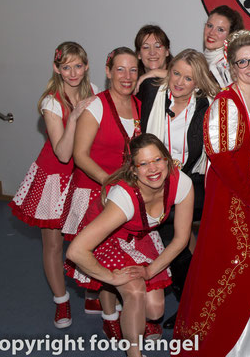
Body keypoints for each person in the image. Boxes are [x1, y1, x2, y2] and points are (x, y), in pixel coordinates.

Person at [173, 31, 250, 356]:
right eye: (242, 61)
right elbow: (222, 159)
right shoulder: (225, 104)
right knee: (243, 259)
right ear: (232, 66)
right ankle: (232, 344)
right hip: (232, 196)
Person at [66, 133, 194, 357]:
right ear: (133, 170)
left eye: (157, 160)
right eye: (143, 164)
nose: (153, 169)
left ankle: (119, 305)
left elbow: (181, 239)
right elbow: (76, 251)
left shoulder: (181, 183)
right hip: (107, 239)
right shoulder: (123, 197)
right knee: (134, 291)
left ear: (167, 160)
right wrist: (113, 277)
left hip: (140, 234)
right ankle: (133, 352)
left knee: (154, 311)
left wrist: (150, 270)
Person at [9, 41, 94, 328]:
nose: (73, 73)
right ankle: (61, 301)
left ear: (86, 66)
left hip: (84, 175)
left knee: (90, 236)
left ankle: (94, 291)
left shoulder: (93, 90)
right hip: (55, 178)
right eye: (66, 66)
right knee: (54, 244)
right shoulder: (51, 101)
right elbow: (62, 153)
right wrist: (76, 117)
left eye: (78, 66)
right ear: (56, 68)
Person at [62, 46, 141, 337]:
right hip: (96, 189)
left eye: (133, 69)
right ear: (108, 72)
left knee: (121, 252)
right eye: (120, 69)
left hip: (126, 194)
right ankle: (109, 314)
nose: (127, 76)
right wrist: (109, 181)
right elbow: (80, 155)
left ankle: (114, 303)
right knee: (103, 253)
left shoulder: (141, 106)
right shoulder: (95, 105)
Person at [138, 49, 219, 328]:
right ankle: (189, 298)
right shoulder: (152, 92)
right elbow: (128, 85)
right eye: (175, 73)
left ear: (198, 82)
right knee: (169, 230)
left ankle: (188, 300)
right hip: (151, 179)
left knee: (169, 225)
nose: (179, 82)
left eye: (188, 78)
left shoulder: (207, 106)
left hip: (191, 182)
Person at [203, 5, 244, 89]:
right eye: (209, 26)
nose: (211, 33)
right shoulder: (199, 60)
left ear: (230, 36)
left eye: (220, 30)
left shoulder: (226, 70)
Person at [134, 24, 172, 93]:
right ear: (139, 54)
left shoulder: (181, 81)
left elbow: (193, 79)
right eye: (146, 47)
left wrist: (154, 73)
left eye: (157, 46)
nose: (152, 52)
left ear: (167, 51)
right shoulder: (134, 84)